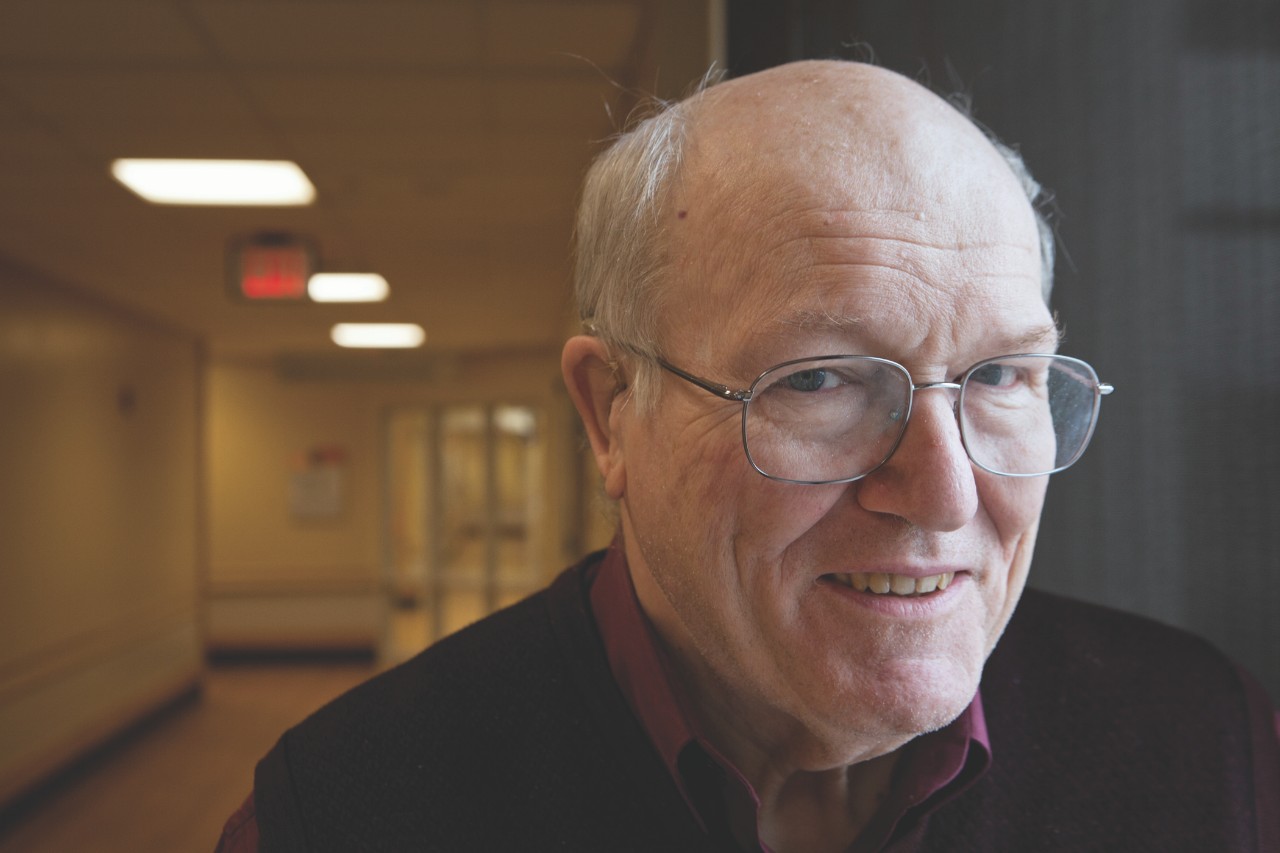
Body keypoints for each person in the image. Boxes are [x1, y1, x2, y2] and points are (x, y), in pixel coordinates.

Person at [217, 60, 1279, 852]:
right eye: (818, 381)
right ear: (610, 414)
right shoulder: (343, 812)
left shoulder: (1216, 750)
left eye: (1000, 374)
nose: (944, 492)